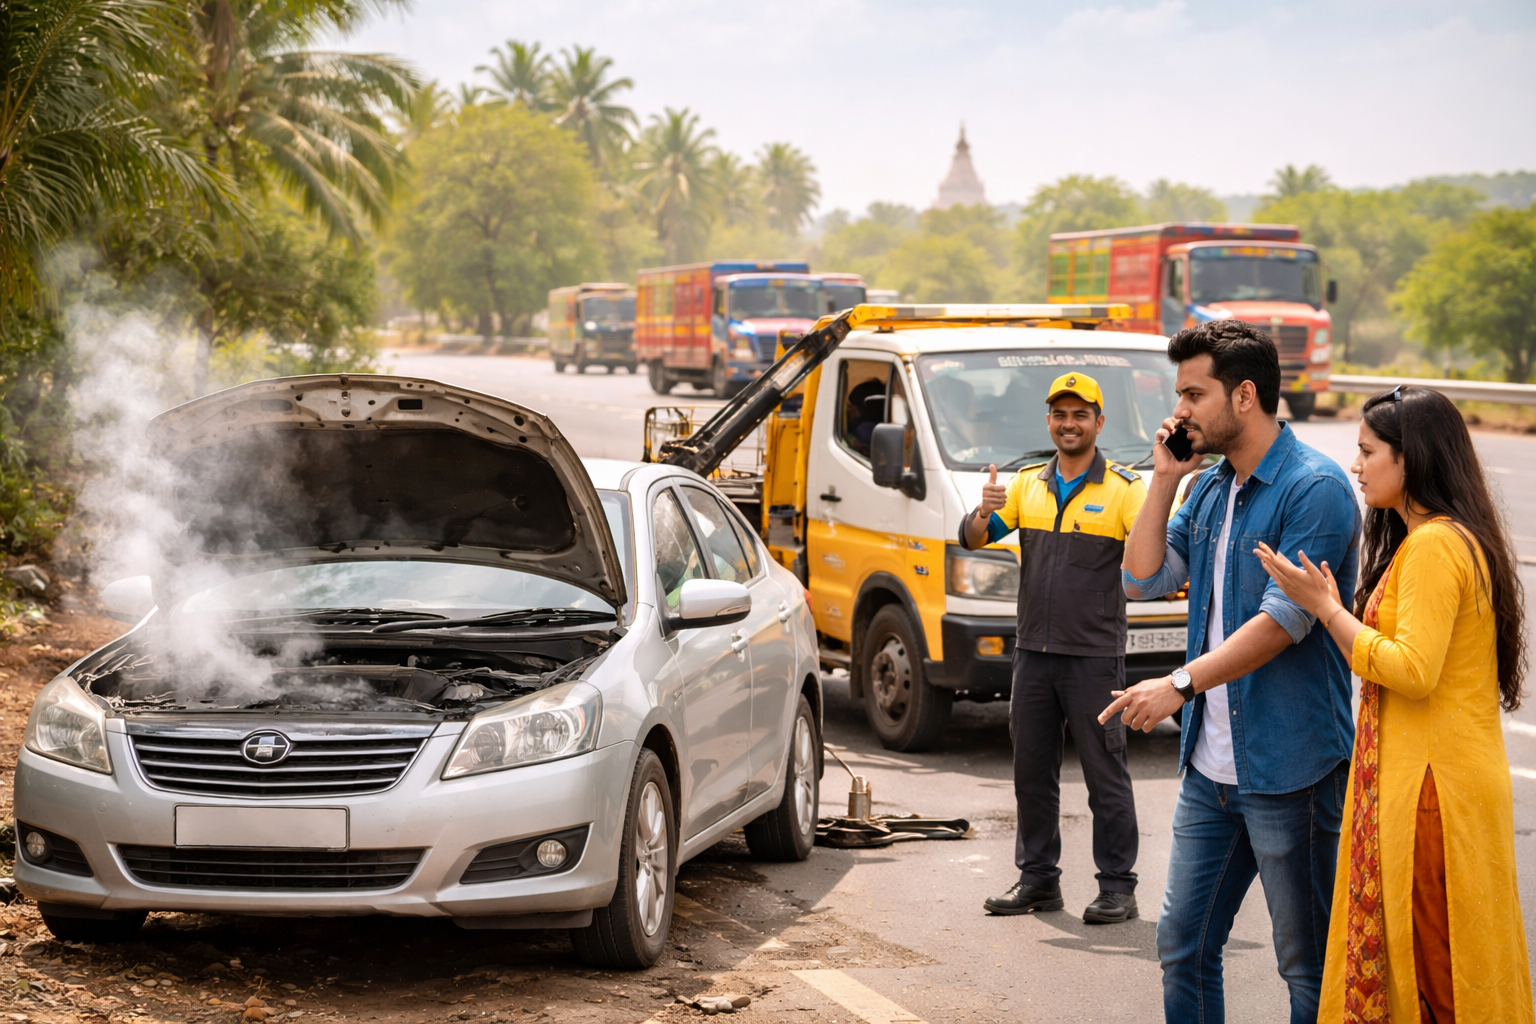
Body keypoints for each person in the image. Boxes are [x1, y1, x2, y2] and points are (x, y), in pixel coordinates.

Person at [1101, 319, 1359, 1023]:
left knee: (1305, 965)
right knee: (1182, 946)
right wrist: (1162, 482)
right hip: (1211, 773)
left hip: (1291, 769)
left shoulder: (1316, 490)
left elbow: (1286, 621)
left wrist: (1180, 683)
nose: (1178, 410)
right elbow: (1145, 577)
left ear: (1244, 395)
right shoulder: (1211, 489)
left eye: (1192, 393)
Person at [1255, 385, 1534, 1024]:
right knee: (1441, 961)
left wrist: (1325, 608)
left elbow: (1412, 670)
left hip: (1432, 791)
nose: (1356, 466)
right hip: (1436, 780)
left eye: (1367, 451)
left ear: (1411, 460)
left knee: (1437, 970)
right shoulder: (1439, 538)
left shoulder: (1436, 544)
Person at [963, 372, 1147, 924]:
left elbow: (1147, 562)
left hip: (1093, 658)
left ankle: (1118, 887)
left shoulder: (1125, 488)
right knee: (1032, 774)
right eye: (1060, 414)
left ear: (1098, 422)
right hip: (1034, 657)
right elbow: (975, 537)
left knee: (1104, 774)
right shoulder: (1023, 485)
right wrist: (981, 509)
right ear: (1049, 421)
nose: (1069, 424)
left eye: (1080, 414)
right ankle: (1038, 880)